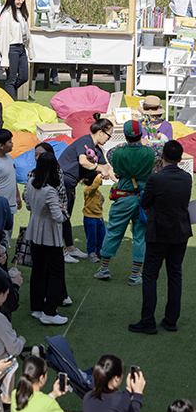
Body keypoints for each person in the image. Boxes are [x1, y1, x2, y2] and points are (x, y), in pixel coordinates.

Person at [129, 139, 192, 334]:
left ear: (162, 156)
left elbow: (145, 203)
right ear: (180, 159)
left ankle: (148, 320)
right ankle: (170, 320)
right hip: (180, 232)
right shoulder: (187, 178)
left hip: (158, 233)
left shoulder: (155, 179)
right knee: (175, 276)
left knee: (149, 276)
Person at [95, 121, 156, 285]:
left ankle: (104, 269)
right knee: (140, 236)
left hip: (123, 196)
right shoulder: (151, 153)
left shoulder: (117, 153)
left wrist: (126, 144)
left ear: (125, 136)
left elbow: (110, 154)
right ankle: (135, 275)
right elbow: (157, 154)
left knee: (113, 231)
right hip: (144, 198)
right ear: (141, 135)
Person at [59, 114, 113, 261]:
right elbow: (83, 161)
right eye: (109, 136)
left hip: (70, 184)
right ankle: (61, 252)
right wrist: (98, 168)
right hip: (61, 181)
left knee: (65, 216)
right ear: (101, 132)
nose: (109, 139)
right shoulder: (85, 141)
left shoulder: (97, 149)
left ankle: (70, 248)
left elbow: (108, 169)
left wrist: (120, 181)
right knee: (59, 217)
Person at [24, 151, 69, 325]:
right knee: (56, 272)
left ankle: (37, 307)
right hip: (49, 235)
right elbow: (59, 218)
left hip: (34, 232)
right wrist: (63, 209)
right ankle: (49, 311)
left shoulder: (30, 182)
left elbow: (28, 205)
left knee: (38, 270)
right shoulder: (50, 191)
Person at [82, 355, 146, 412]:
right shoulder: (119, 400)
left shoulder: (88, 397)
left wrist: (128, 390)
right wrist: (138, 394)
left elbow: (115, 409)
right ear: (116, 378)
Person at [10, 355, 75, 412]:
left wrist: (54, 394)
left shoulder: (15, 394)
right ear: (41, 378)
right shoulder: (48, 403)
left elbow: (35, 406)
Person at [0, 0, 34, 98]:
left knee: (24, 77)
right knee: (11, 78)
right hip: (11, 49)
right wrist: (4, 58)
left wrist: (30, 50)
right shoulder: (6, 15)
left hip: (21, 48)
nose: (20, 1)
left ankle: (7, 94)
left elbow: (27, 33)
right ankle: (10, 102)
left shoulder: (21, 13)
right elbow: (3, 38)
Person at [0, 129, 22, 231]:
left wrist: (17, 196)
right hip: (0, 206)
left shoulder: (9, 157)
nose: (12, 144)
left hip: (10, 204)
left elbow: (12, 177)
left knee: (8, 231)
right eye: (10, 142)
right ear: (1, 146)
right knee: (0, 234)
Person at [82, 172, 105, 264]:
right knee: (92, 237)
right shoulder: (88, 191)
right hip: (90, 218)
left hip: (99, 217)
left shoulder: (98, 192)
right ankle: (91, 253)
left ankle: (98, 251)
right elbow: (94, 186)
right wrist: (99, 176)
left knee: (102, 235)